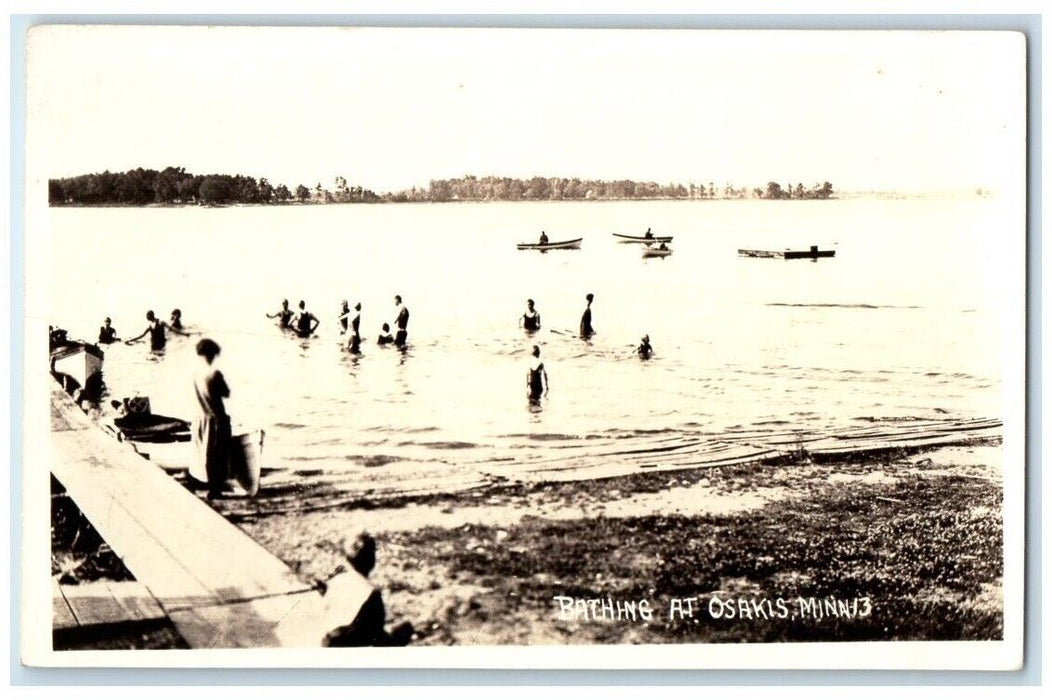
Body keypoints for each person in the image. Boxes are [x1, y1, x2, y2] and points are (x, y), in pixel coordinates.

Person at [318, 532, 413, 647]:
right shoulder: (372, 594)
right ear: (371, 559)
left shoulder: (334, 582)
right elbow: (377, 639)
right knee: (405, 629)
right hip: (351, 652)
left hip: (327, 645)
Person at [192, 338, 231, 499]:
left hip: (200, 417)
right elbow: (226, 393)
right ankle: (215, 489)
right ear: (212, 354)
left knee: (204, 452)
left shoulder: (195, 374)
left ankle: (206, 483)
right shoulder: (214, 373)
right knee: (217, 453)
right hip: (215, 418)